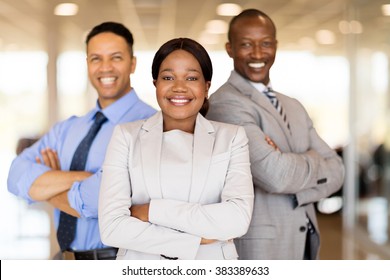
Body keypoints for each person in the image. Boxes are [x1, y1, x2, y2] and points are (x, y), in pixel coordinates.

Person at [7, 21, 156, 260]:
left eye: (116, 57)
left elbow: (100, 202)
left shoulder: (150, 126)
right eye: (96, 58)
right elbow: (15, 176)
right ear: (87, 64)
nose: (105, 68)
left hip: (117, 262)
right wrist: (83, 177)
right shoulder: (68, 129)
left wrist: (49, 185)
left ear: (133, 63)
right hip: (62, 259)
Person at [206, 9, 345, 259]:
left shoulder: (293, 105)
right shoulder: (224, 104)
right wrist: (314, 160)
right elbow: (276, 176)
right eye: (246, 44)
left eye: (266, 43)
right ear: (229, 49)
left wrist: (290, 168)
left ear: (276, 46)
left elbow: (337, 171)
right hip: (260, 249)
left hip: (302, 241)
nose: (258, 53)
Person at [98, 37, 254, 260]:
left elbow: (237, 219)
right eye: (168, 77)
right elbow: (112, 227)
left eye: (191, 78)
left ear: (206, 87)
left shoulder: (231, 138)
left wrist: (151, 211)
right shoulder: (126, 136)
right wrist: (197, 239)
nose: (179, 87)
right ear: (155, 84)